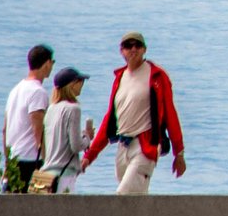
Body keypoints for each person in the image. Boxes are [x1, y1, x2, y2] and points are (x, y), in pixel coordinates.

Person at [81, 32, 185, 194]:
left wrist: (178, 152)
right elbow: (110, 118)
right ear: (121, 51)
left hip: (145, 146)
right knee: (135, 202)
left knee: (123, 195)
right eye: (128, 46)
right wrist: (90, 155)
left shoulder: (157, 76)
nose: (133, 49)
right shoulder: (120, 78)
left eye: (138, 45)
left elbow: (171, 113)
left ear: (145, 49)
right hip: (123, 146)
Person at [2, 44, 54, 193]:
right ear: (47, 63)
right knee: (36, 210)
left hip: (13, 159)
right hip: (31, 161)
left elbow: (5, 129)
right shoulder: (38, 92)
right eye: (52, 62)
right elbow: (39, 132)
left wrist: (7, 162)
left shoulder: (15, 90)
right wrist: (46, 167)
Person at [36, 68, 87, 194]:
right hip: (64, 175)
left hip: (46, 175)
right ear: (72, 84)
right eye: (80, 81)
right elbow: (76, 146)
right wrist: (87, 137)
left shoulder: (51, 109)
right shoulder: (74, 109)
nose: (82, 84)